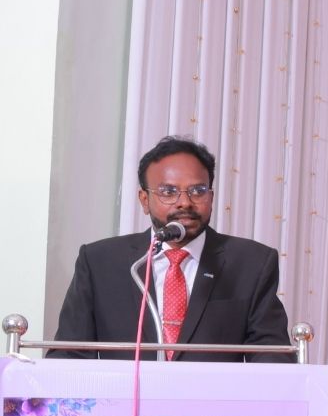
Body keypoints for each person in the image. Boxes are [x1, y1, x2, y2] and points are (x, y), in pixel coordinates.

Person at [51, 136, 291, 362]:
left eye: (198, 191)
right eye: (168, 192)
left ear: (211, 197)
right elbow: (68, 357)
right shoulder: (100, 263)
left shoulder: (252, 263)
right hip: (127, 394)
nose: (185, 202)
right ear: (144, 200)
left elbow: (273, 359)